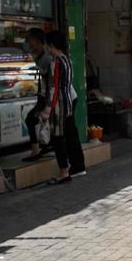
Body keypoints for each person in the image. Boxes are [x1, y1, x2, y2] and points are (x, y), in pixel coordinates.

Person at [41, 30, 86, 184]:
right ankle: (77, 167)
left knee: (58, 137)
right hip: (67, 101)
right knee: (69, 135)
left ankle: (64, 172)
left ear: (52, 45)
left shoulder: (56, 62)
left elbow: (53, 87)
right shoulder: (66, 59)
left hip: (59, 105)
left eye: (47, 44)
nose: (46, 47)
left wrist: (48, 108)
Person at [22, 28, 53, 162]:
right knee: (33, 119)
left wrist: (47, 105)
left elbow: (50, 83)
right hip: (44, 96)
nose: (26, 43)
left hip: (49, 97)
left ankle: (39, 148)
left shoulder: (46, 58)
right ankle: (42, 147)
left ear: (35, 41)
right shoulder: (39, 56)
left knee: (32, 119)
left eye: (28, 39)